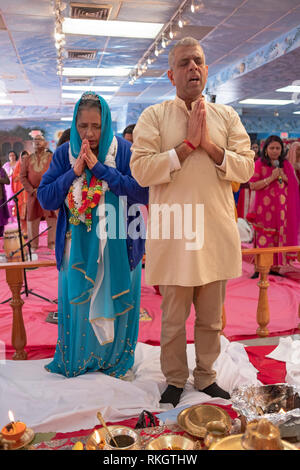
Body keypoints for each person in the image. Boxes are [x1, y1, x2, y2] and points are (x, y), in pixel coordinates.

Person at [130, 37, 254, 406]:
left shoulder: (227, 117)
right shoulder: (154, 116)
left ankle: (205, 376)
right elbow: (140, 170)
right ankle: (174, 379)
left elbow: (245, 166)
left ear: (206, 68)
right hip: (174, 229)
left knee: (211, 318)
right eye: (184, 63)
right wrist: (185, 146)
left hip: (214, 230)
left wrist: (209, 146)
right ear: (171, 74)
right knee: (172, 319)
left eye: (198, 61)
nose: (193, 68)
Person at [37, 92, 148, 378]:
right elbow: (46, 199)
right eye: (83, 126)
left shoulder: (123, 151)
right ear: (74, 125)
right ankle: (80, 360)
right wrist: (73, 172)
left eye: (96, 126)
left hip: (120, 246)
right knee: (80, 306)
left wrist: (101, 171)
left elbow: (141, 191)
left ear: (107, 123)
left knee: (119, 303)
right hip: (75, 250)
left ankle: (117, 362)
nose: (89, 133)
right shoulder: (64, 154)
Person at [248, 135, 300, 278]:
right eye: (272, 148)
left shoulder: (285, 165)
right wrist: (270, 178)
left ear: (281, 150)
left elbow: (295, 185)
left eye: (278, 148)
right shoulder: (259, 164)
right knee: (263, 238)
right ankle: (259, 268)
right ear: (266, 150)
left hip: (282, 211)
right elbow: (252, 185)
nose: (275, 151)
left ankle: (275, 268)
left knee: (278, 237)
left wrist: (284, 177)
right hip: (263, 210)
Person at [20, 135, 57, 251]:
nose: (37, 142)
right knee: (32, 218)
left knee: (52, 217)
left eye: (40, 140)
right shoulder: (27, 159)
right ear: (32, 144)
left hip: (48, 193)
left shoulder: (52, 157)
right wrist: (31, 190)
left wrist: (49, 189)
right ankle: (33, 244)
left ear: (45, 143)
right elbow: (22, 177)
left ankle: (52, 243)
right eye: (35, 140)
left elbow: (57, 174)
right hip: (33, 194)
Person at [11, 150, 29, 237]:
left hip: (30, 193)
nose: (25, 159)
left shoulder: (31, 166)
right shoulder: (18, 165)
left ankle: (29, 231)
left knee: (30, 214)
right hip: (21, 194)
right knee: (22, 214)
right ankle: (23, 230)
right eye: (23, 158)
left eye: (27, 158)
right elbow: (14, 179)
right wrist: (21, 175)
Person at [3, 150, 18, 222]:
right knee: (9, 201)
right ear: (8, 157)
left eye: (13, 155)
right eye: (10, 155)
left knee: (17, 201)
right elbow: (3, 176)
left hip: (17, 184)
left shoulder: (18, 163)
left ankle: (18, 217)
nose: (12, 157)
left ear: (16, 156)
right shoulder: (6, 165)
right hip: (8, 186)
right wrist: (10, 174)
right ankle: (11, 218)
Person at [0, 162, 10, 237]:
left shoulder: (2, 170)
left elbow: (7, 181)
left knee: (1, 216)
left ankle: (1, 233)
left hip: (1, 197)